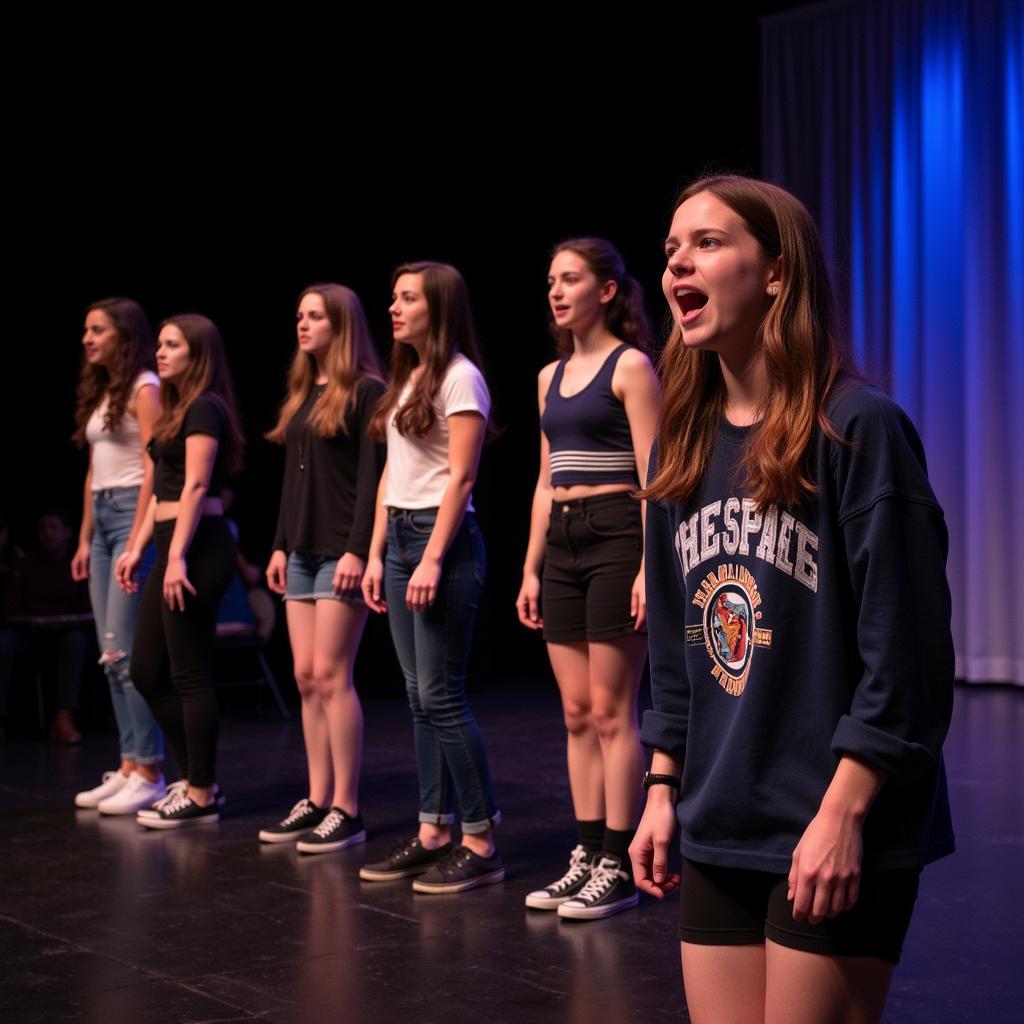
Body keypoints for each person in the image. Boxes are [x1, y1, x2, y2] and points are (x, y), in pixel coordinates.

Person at [629, 175, 955, 1024]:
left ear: (776, 272)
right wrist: (662, 786)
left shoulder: (858, 429)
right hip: (719, 816)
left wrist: (844, 812)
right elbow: (674, 646)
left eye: (707, 242)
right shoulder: (684, 444)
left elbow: (907, 655)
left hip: (838, 819)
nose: (677, 265)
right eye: (670, 250)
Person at [516, 238, 660, 920]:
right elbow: (545, 479)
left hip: (616, 532)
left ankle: (619, 861)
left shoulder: (630, 366)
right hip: (565, 541)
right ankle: (586, 852)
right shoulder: (549, 377)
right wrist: (530, 568)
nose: (556, 289)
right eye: (551, 280)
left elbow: (656, 476)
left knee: (610, 711)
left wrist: (647, 568)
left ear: (606, 290)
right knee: (576, 714)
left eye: (570, 278)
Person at [359, 261, 503, 893]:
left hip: (441, 542)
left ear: (437, 308)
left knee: (442, 695)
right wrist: (375, 552)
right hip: (400, 540)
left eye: (408, 298)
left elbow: (462, 478)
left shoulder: (460, 378)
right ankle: (433, 831)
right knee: (419, 698)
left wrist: (431, 557)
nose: (394, 307)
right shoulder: (409, 375)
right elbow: (394, 474)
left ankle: (480, 838)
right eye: (393, 297)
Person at [261, 284, 385, 852]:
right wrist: (281, 544)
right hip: (303, 551)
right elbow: (292, 484)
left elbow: (370, 480)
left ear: (342, 325)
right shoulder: (303, 393)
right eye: (299, 315)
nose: (303, 325)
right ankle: (316, 797)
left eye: (315, 316)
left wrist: (359, 549)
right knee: (305, 677)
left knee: (333, 676)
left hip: (340, 551)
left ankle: (347, 807)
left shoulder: (365, 392)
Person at [117, 314, 245, 829]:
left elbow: (194, 487)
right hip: (171, 543)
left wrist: (175, 559)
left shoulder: (206, 408)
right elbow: (164, 491)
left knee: (188, 671)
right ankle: (197, 777)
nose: (160, 353)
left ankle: (200, 789)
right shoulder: (173, 410)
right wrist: (136, 549)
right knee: (146, 669)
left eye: (172, 345)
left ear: (199, 354)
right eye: (160, 345)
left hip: (198, 549)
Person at [69, 299, 166, 804]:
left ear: (122, 335)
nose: (88, 338)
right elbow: (92, 471)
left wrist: (136, 539)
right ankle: (129, 764)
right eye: (86, 330)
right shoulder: (105, 390)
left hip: (132, 513)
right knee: (110, 655)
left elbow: (155, 465)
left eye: (97, 329)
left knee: (126, 652)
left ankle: (150, 771)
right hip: (104, 517)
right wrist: (85, 537)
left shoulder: (144, 387)